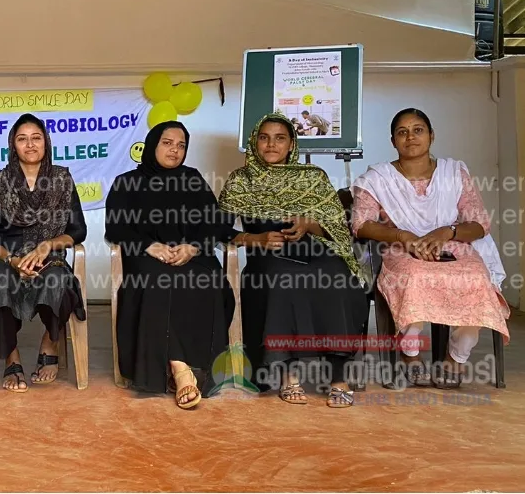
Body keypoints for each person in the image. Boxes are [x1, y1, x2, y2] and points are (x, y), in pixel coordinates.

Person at [351, 108, 510, 388]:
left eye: (418, 130)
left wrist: (447, 231)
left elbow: (479, 223)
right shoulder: (378, 178)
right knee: (415, 277)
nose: (410, 137)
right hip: (402, 248)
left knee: (476, 279)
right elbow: (361, 224)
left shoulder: (454, 173)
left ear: (431, 136)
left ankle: (456, 357)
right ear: (393, 140)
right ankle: (410, 355)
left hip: (453, 246)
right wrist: (402, 235)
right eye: (402, 132)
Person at [218, 113, 368, 408]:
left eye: (280, 138)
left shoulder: (313, 177)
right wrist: (255, 239)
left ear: (291, 144)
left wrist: (308, 224)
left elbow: (338, 227)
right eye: (264, 138)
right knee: (284, 280)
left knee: (337, 277)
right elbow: (219, 229)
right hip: (268, 256)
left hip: (316, 251)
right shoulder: (241, 180)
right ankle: (290, 372)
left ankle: (338, 376)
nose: (271, 144)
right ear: (255, 142)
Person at [105, 121, 235, 409]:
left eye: (181, 145)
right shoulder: (127, 182)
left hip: (192, 254)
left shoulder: (192, 179)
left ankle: (189, 365)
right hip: (146, 256)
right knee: (157, 283)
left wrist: (193, 247)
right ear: (153, 144)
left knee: (207, 281)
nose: (175, 150)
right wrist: (149, 246)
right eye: (167, 143)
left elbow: (214, 222)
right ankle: (181, 368)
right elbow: (115, 226)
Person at [0, 114, 87, 392]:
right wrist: (12, 261)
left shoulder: (61, 179)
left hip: (48, 257)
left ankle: (50, 341)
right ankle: (11, 357)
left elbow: (78, 230)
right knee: (0, 280)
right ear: (13, 145)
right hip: (3, 257)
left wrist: (47, 246)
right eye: (22, 139)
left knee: (57, 279)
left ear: (46, 142)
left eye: (36, 138)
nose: (30, 145)